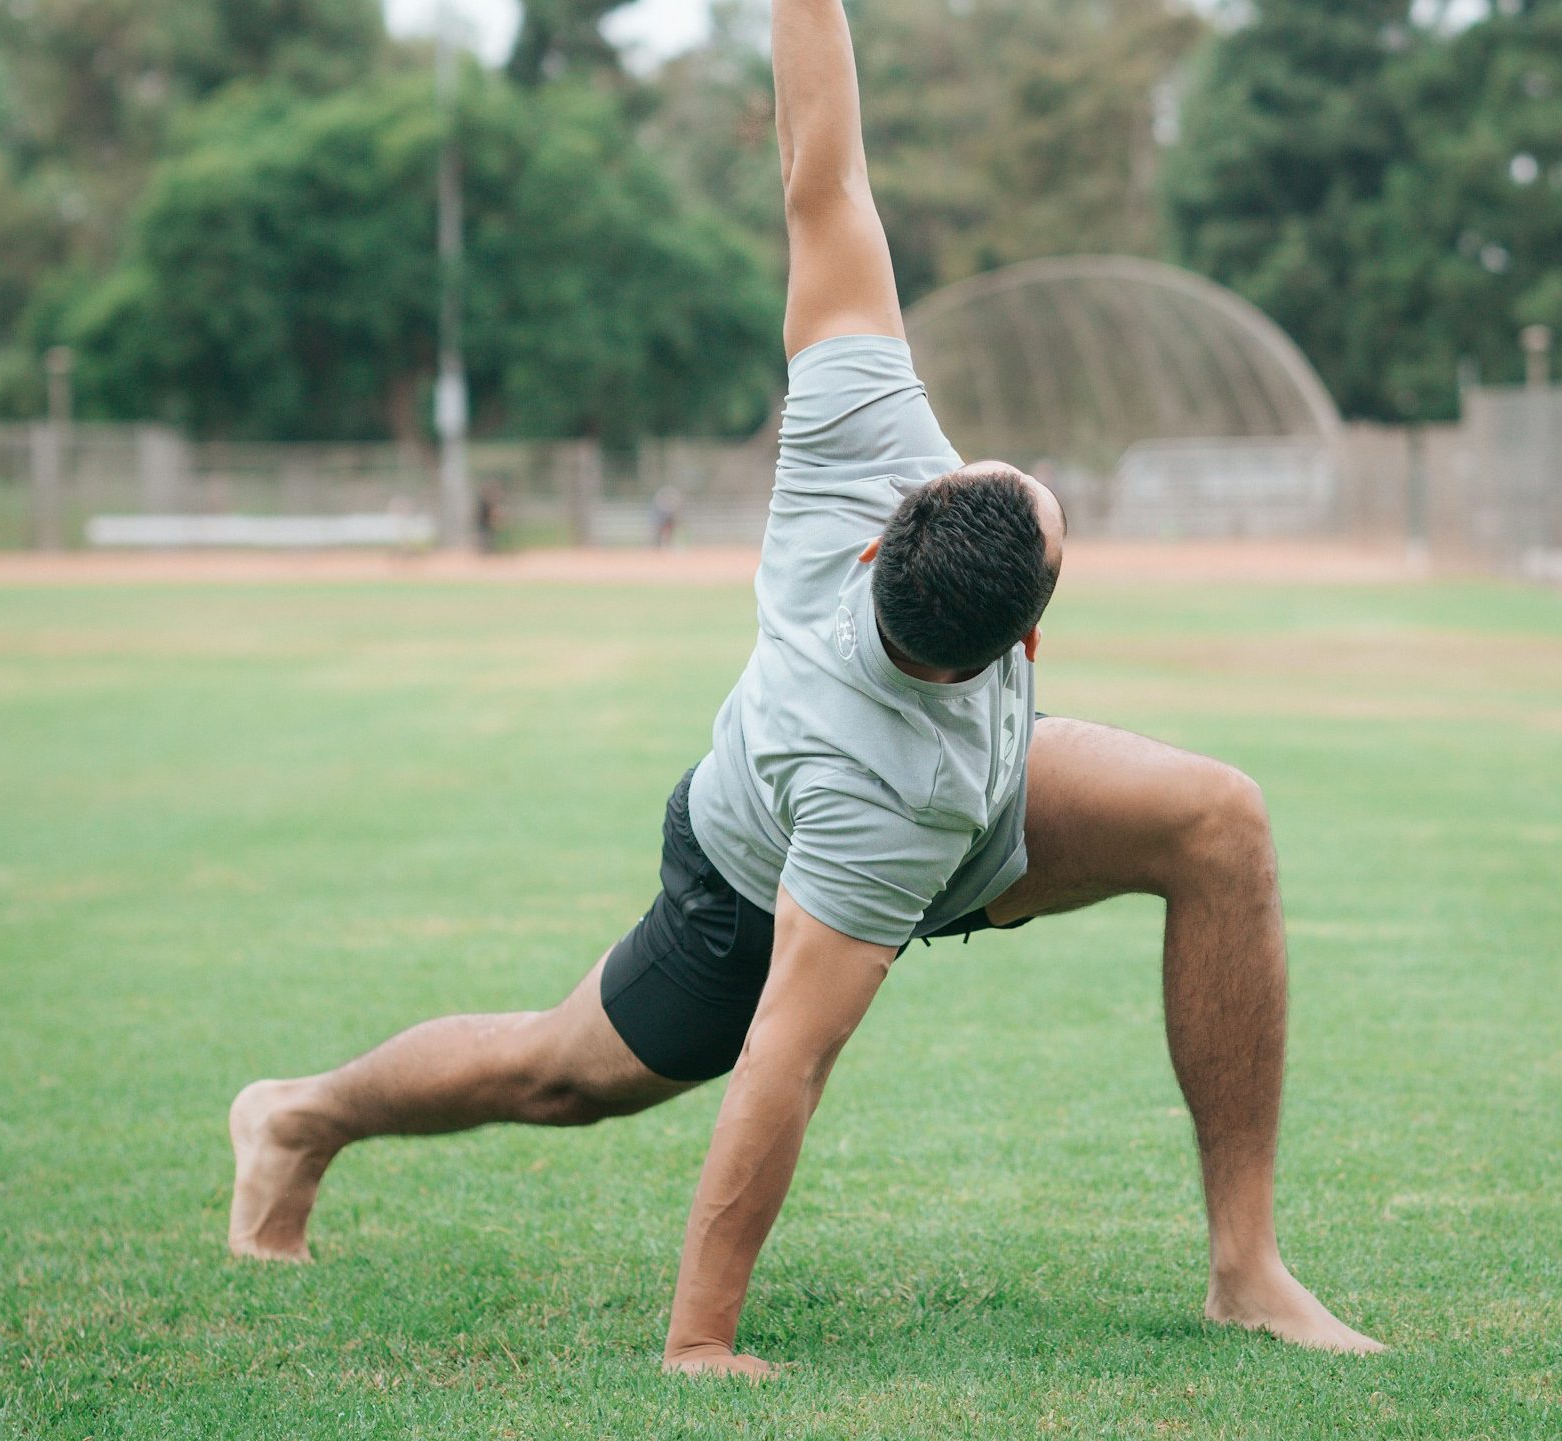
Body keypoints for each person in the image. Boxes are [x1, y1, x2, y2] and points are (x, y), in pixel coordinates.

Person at [226, 0, 1384, 1375]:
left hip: (978, 798)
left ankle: (1245, 1268)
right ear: (1012, 644)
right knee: (560, 1071)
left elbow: (821, 169)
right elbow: (788, 1054)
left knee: (1217, 818)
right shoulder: (876, 797)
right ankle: (297, 1117)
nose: (1019, 482)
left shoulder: (860, 432)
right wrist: (701, 1336)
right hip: (759, 870)